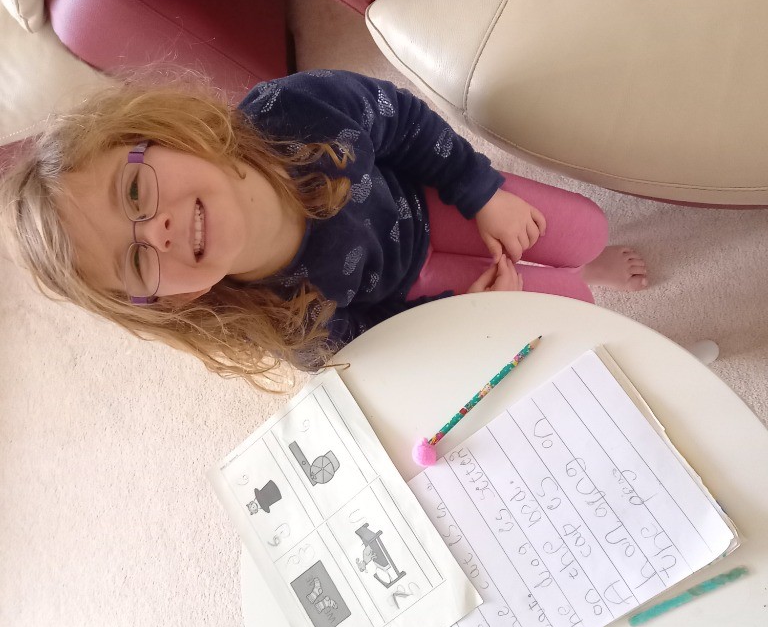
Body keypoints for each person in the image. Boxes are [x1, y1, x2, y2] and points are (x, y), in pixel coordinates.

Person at [0, 69, 647, 389]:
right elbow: (376, 348)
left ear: (167, 136)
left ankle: (585, 258)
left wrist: (478, 191)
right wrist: (465, 318)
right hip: (415, 291)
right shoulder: (273, 322)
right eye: (138, 262)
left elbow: (403, 121)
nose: (158, 233)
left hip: (430, 197)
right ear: (174, 300)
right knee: (575, 306)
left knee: (586, 229)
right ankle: (580, 276)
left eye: (136, 192)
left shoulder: (289, 112)